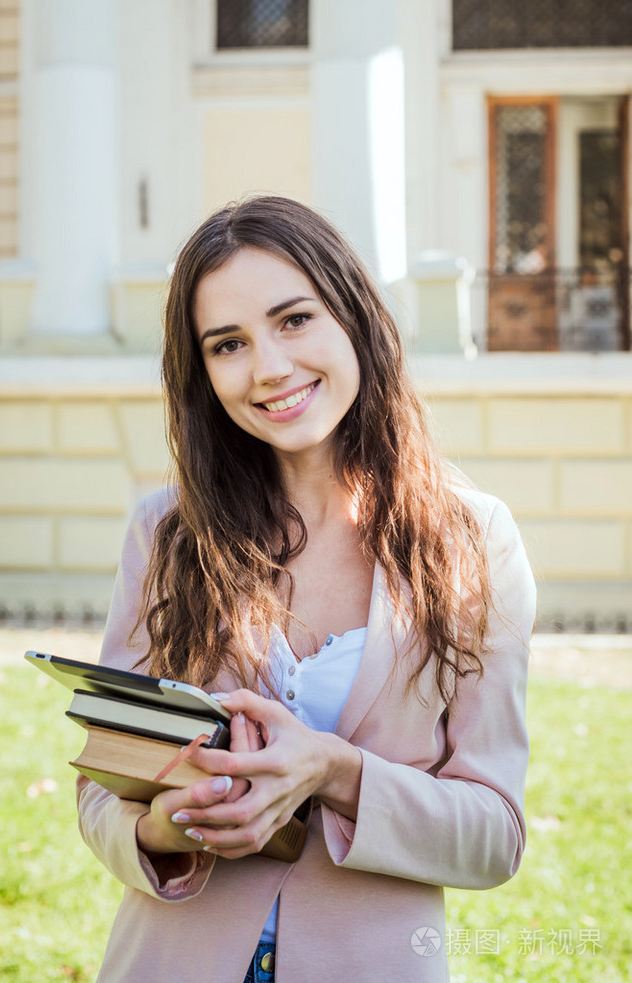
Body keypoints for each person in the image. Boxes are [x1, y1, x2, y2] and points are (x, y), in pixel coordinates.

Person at [77, 196, 536, 983]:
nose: (269, 368)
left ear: (353, 316)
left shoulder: (471, 538)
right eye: (228, 343)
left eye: (294, 320)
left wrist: (334, 770)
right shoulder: (166, 533)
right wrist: (167, 825)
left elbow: (494, 835)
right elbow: (98, 786)